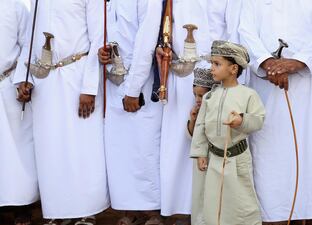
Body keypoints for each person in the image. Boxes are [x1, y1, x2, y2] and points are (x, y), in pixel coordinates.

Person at [239, 0, 312, 224]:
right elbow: (244, 30)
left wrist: (298, 61)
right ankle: (272, 214)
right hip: (267, 84)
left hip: (311, 83)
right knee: (270, 152)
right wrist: (268, 62)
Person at [14, 0, 109, 224]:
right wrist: (23, 78)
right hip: (44, 80)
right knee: (50, 149)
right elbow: (29, 38)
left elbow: (98, 37)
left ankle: (87, 212)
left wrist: (89, 88)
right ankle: (56, 212)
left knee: (82, 148)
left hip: (77, 76)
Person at [98, 0, 163, 224]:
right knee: (119, 149)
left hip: (139, 82)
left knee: (144, 147)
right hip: (113, 81)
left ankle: (152, 211)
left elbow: (146, 42)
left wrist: (133, 89)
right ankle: (129, 209)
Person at [191, 40, 265, 225]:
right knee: (212, 202)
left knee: (240, 203)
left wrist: (241, 120)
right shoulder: (210, 96)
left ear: (233, 69)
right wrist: (201, 153)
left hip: (237, 159)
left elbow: (258, 120)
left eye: (217, 64)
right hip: (213, 159)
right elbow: (200, 127)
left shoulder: (248, 95)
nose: (211, 68)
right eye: (211, 63)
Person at [155, 0, 211, 223]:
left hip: (216, 69)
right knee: (179, 145)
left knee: (211, 140)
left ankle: (207, 210)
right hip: (181, 73)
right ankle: (183, 210)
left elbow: (232, 28)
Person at [0, 0, 38, 224]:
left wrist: (21, 80)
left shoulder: (13, 5)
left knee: (17, 149)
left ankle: (22, 205)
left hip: (7, 82)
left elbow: (27, 45)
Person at [187, 68, 215, 225]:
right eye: (195, 95)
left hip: (216, 158)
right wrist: (192, 119)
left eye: (201, 95)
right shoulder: (196, 110)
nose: (198, 99)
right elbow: (192, 135)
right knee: (200, 194)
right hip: (201, 162)